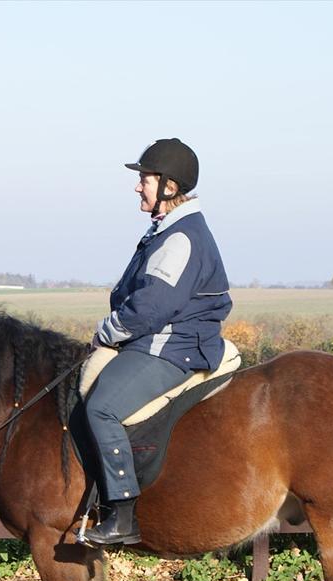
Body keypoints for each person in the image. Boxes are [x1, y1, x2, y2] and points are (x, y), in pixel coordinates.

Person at [80, 138, 233, 547]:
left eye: (144, 178)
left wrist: (107, 331)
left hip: (172, 346)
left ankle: (122, 515)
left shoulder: (181, 237)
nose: (137, 186)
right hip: (162, 339)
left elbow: (151, 308)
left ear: (168, 185)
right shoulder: (168, 230)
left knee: (102, 407)